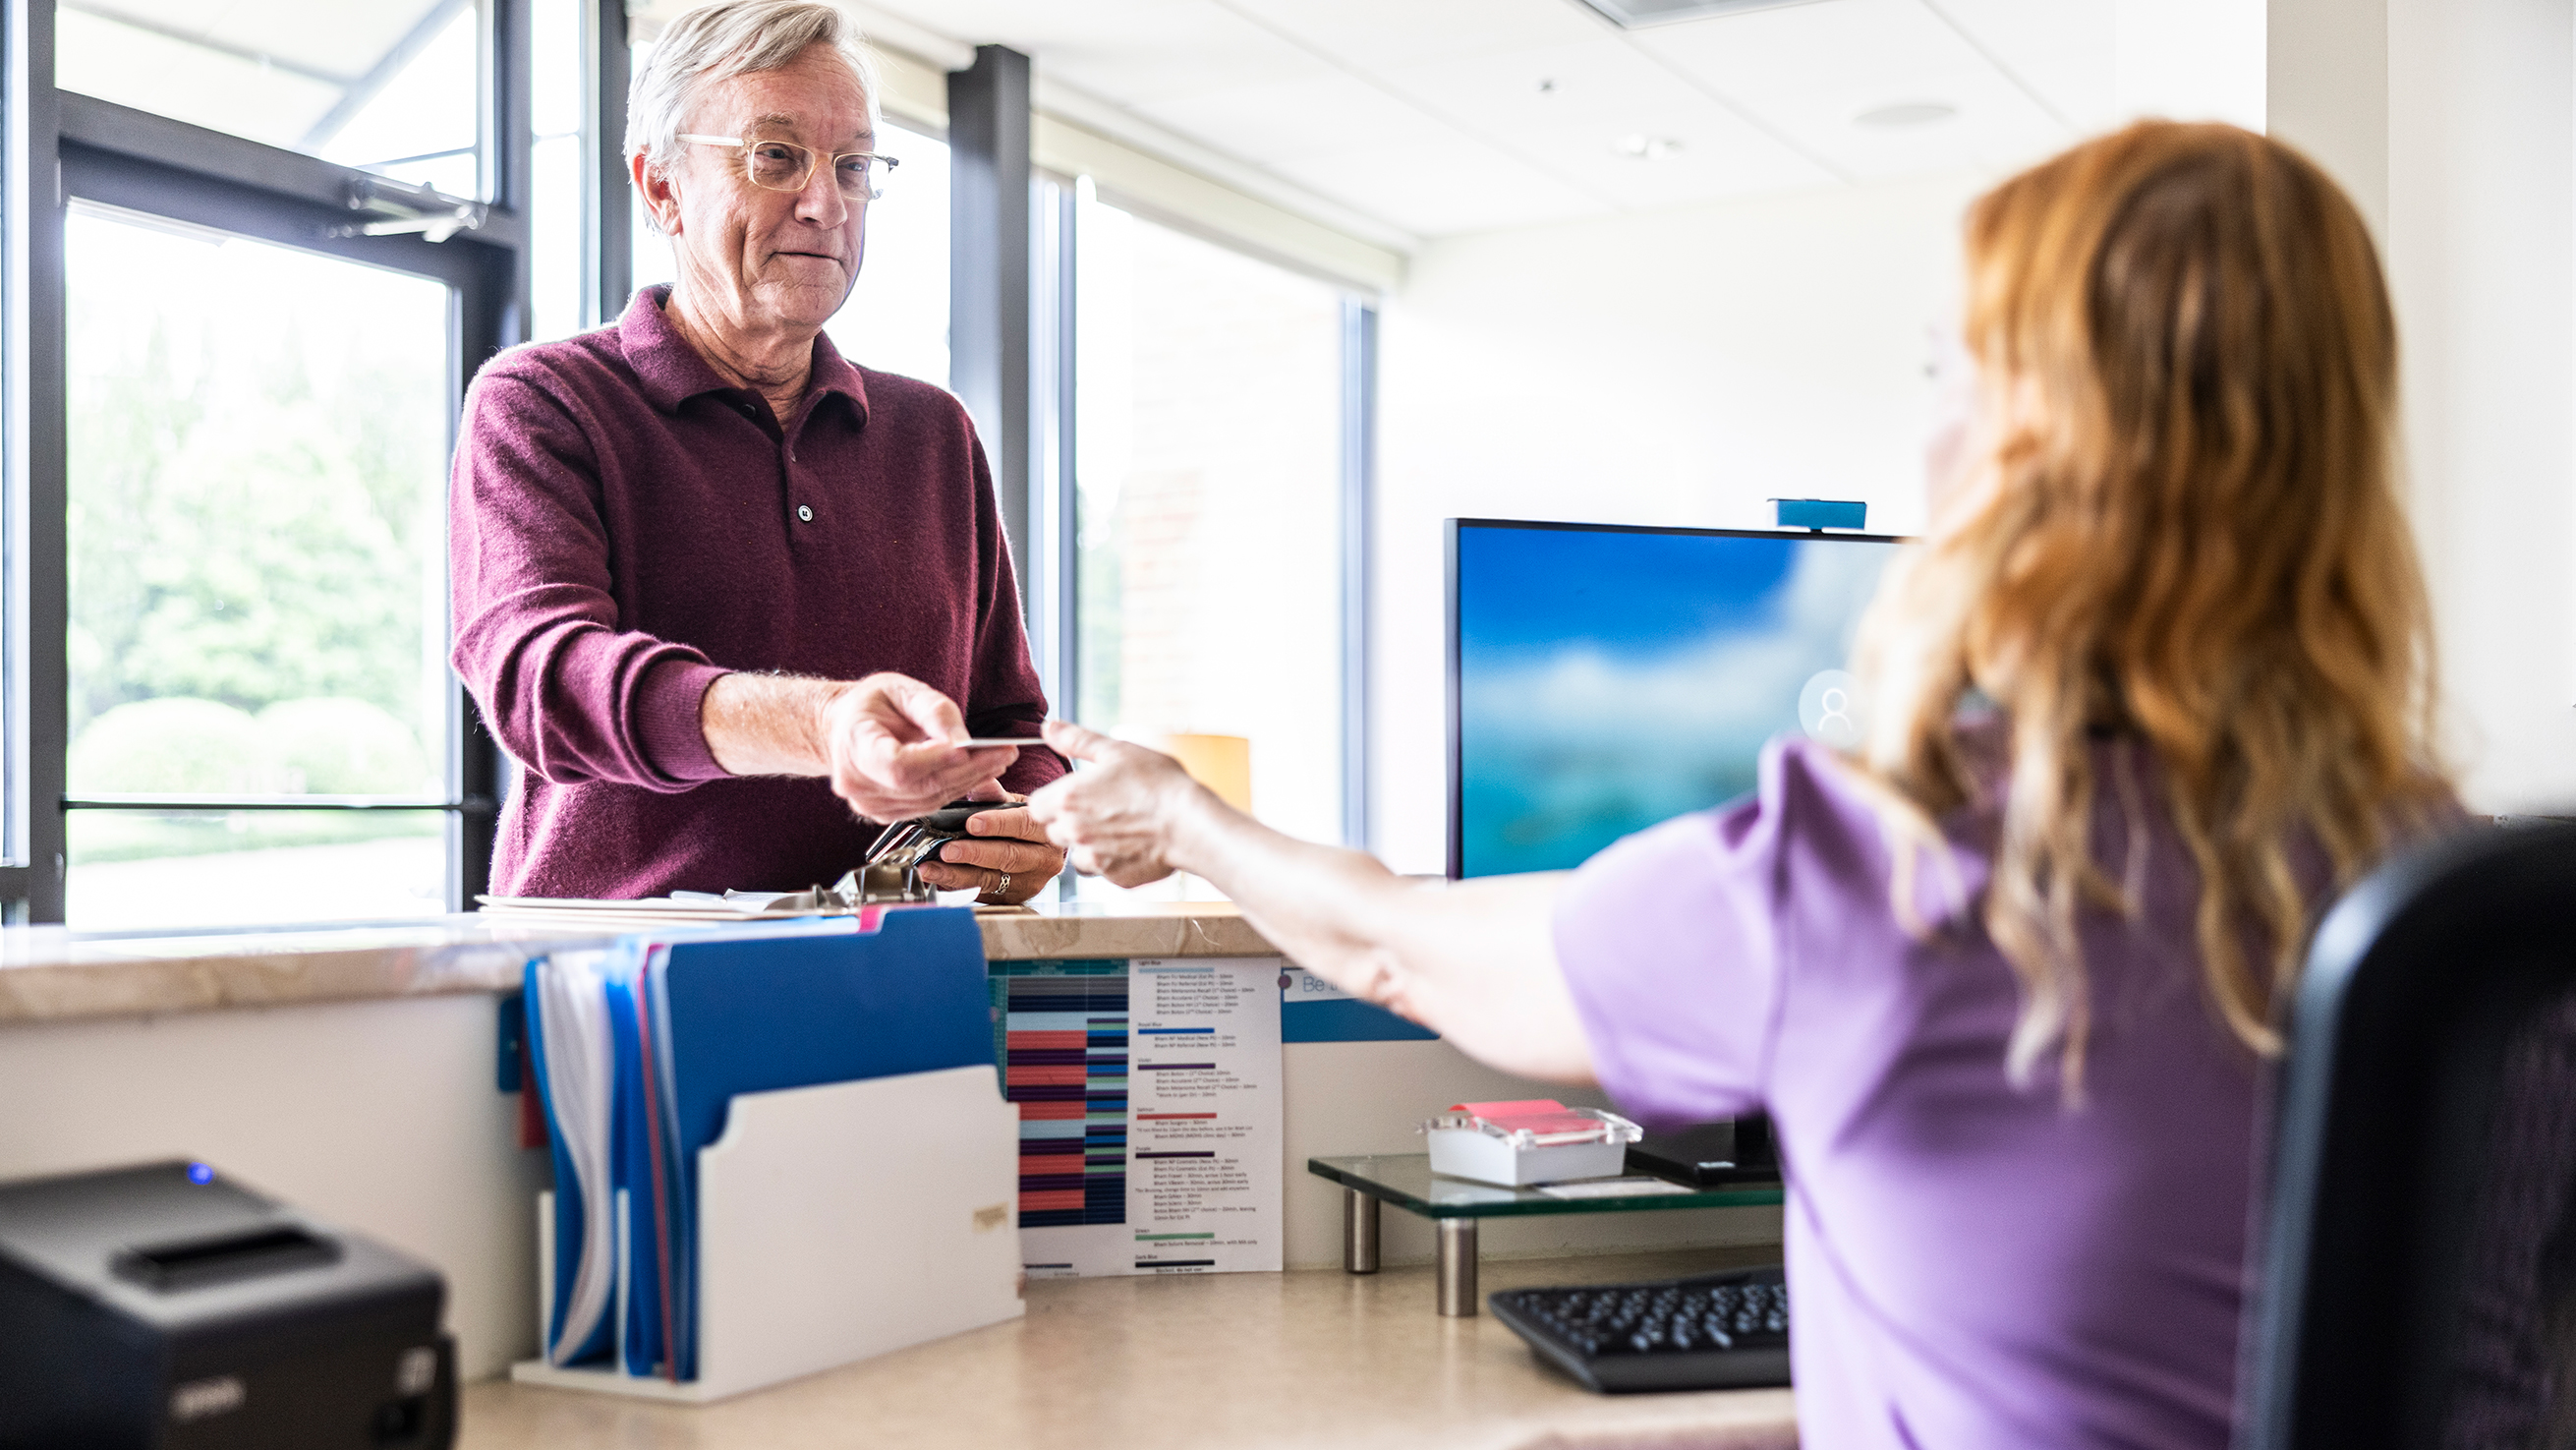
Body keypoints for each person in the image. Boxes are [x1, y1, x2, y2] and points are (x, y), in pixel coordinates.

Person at [1025, 122, 2460, 1448]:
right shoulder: (2469, 905)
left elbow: (1400, 942)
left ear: (2036, 459)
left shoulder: (1877, 871)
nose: (1934, 439)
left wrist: (1184, 819)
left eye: (1960, 381)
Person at [449, 0, 1064, 901]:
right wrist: (824, 723)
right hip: (624, 977)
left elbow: (1010, 725)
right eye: (775, 157)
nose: (825, 204)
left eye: (852, 166)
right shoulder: (544, 401)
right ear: (661, 187)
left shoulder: (934, 433)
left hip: (893, 975)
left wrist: (1028, 821)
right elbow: (545, 681)